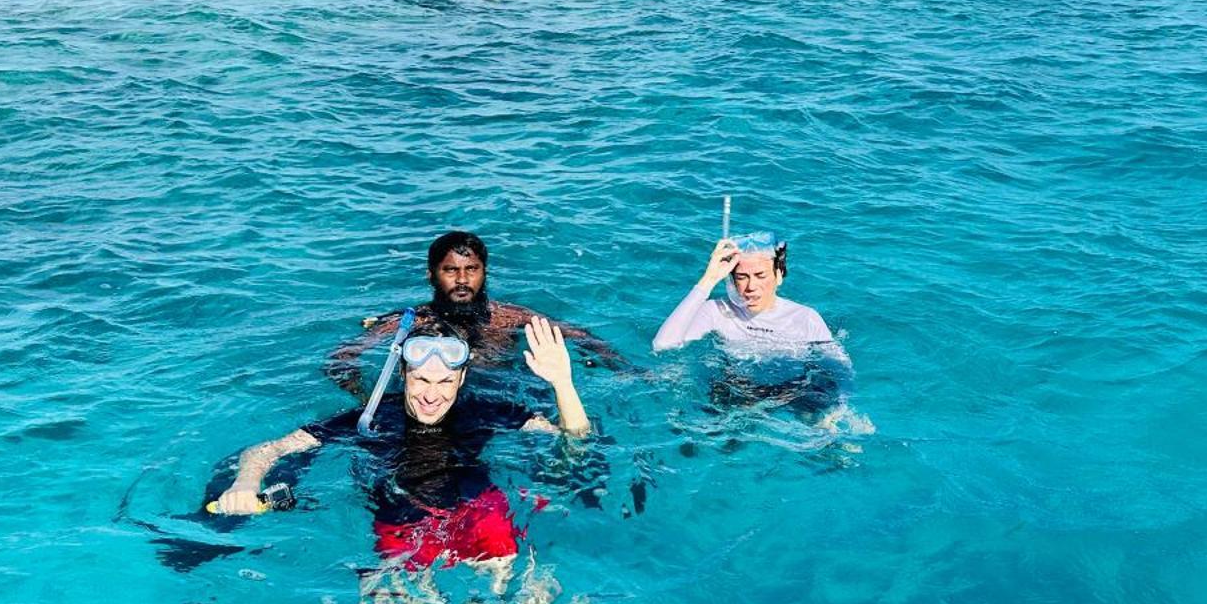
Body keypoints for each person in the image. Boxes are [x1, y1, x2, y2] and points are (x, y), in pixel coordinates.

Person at [215, 316, 590, 604]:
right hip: (403, 524)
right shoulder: (369, 419)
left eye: (445, 382)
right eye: (422, 380)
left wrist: (563, 384)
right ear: (403, 374)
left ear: (460, 379)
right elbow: (270, 449)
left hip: (481, 513)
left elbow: (575, 442)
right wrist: (245, 483)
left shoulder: (485, 410)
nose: (432, 395)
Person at [326, 229, 624, 392]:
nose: (462, 279)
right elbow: (339, 359)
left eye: (472, 269)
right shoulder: (410, 320)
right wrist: (363, 396)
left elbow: (581, 336)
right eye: (450, 270)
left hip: (506, 396)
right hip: (433, 403)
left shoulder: (511, 316)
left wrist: (623, 371)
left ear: (484, 273)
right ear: (431, 275)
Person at [653, 232, 844, 355]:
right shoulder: (717, 311)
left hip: (789, 394)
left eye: (760, 275)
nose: (751, 286)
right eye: (742, 277)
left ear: (779, 275)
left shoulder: (805, 318)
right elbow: (663, 346)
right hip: (732, 395)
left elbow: (839, 369)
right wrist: (708, 280)